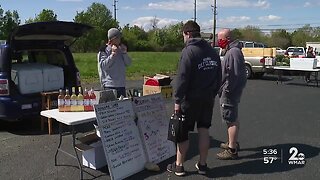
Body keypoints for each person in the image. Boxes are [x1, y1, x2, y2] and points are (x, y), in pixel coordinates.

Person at [166, 20, 221, 176]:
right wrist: (212, 92)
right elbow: (219, 76)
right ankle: (202, 165)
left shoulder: (189, 51)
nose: (183, 38)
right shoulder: (212, 51)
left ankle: (179, 166)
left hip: (190, 100)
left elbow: (182, 79)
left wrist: (177, 101)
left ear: (188, 34)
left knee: (183, 133)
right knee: (204, 130)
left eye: (183, 35)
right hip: (207, 98)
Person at [216, 28, 247, 160]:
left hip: (229, 93)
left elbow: (234, 75)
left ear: (227, 39)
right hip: (232, 91)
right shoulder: (233, 50)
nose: (218, 42)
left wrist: (226, 90)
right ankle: (231, 142)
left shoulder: (233, 52)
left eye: (220, 39)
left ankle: (232, 150)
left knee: (231, 120)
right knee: (232, 117)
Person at [97, 28, 132, 98]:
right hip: (109, 85)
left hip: (121, 85)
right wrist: (112, 55)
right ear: (112, 39)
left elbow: (128, 63)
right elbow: (103, 66)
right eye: (118, 38)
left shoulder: (121, 49)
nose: (120, 40)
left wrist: (124, 53)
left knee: (123, 107)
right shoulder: (104, 50)